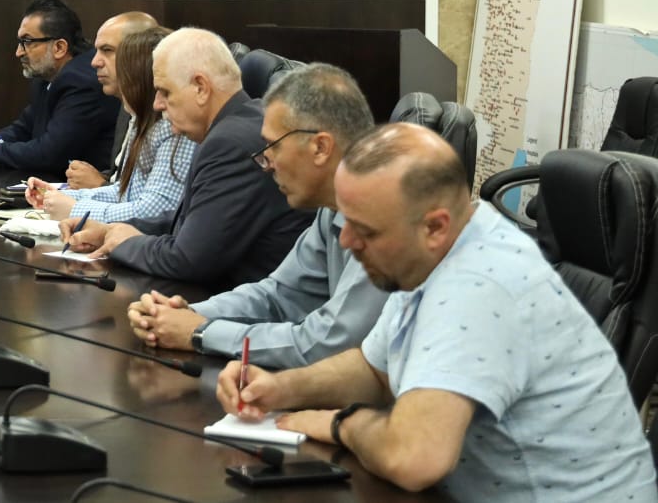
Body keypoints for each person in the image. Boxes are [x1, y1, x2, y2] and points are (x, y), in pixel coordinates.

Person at [217, 124, 657, 500]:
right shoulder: (430, 254)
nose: (346, 241)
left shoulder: (481, 284)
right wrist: (280, 388)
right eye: (346, 219)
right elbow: (374, 370)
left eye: (365, 229)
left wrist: (343, 423)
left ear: (435, 226)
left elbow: (413, 458)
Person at [127, 63, 385, 368]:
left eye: (273, 147)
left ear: (320, 147)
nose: (266, 162)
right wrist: (187, 313)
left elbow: (329, 343)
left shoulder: (382, 213)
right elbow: (278, 295)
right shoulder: (331, 208)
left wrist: (201, 332)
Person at [62, 27, 309, 292]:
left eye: (165, 92)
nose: (157, 104)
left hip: (250, 302)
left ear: (201, 88)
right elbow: (192, 222)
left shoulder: (229, 142)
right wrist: (110, 230)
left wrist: (124, 243)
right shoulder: (237, 124)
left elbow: (188, 259)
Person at [25, 24, 193, 227]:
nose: (95, 63)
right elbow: (124, 192)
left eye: (124, 73)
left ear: (143, 78)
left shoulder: (172, 126)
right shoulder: (141, 119)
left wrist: (74, 209)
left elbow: (155, 212)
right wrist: (58, 196)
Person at [0, 0, 118, 179]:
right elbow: (25, 128)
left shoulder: (82, 81)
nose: (18, 52)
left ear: (59, 47)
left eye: (27, 42)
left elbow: (49, 154)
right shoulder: (48, 77)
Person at [64, 10, 160, 189]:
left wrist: (98, 185)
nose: (95, 62)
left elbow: (153, 199)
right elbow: (120, 176)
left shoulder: (164, 115)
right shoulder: (126, 107)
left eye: (107, 50)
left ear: (140, 54)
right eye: (97, 51)